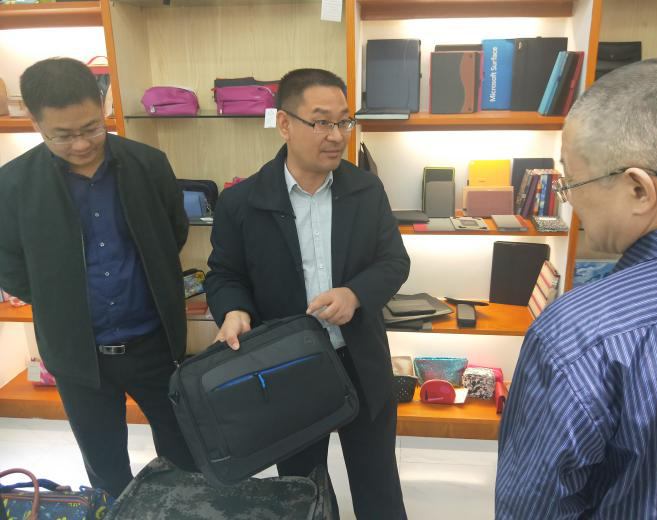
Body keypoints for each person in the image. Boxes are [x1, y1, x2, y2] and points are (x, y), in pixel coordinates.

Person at [205, 68, 410, 519]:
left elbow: (394, 262)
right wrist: (234, 309)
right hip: (288, 369)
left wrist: (354, 294)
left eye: (344, 121)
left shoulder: (366, 189)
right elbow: (223, 275)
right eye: (321, 122)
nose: (336, 135)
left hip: (361, 361)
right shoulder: (242, 202)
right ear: (284, 124)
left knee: (378, 484)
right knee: (301, 489)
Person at [496, 58, 657, 518]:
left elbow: (535, 509)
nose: (568, 201)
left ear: (639, 189)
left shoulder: (578, 332)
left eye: (571, 181)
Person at [0, 58, 196, 498]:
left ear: (103, 105)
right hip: (77, 354)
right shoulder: (11, 185)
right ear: (35, 122)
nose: (82, 144)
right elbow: (9, 264)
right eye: (62, 135)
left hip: (153, 342)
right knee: (105, 467)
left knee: (185, 454)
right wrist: (58, 299)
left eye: (91, 128)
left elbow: (172, 233)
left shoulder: (148, 164)